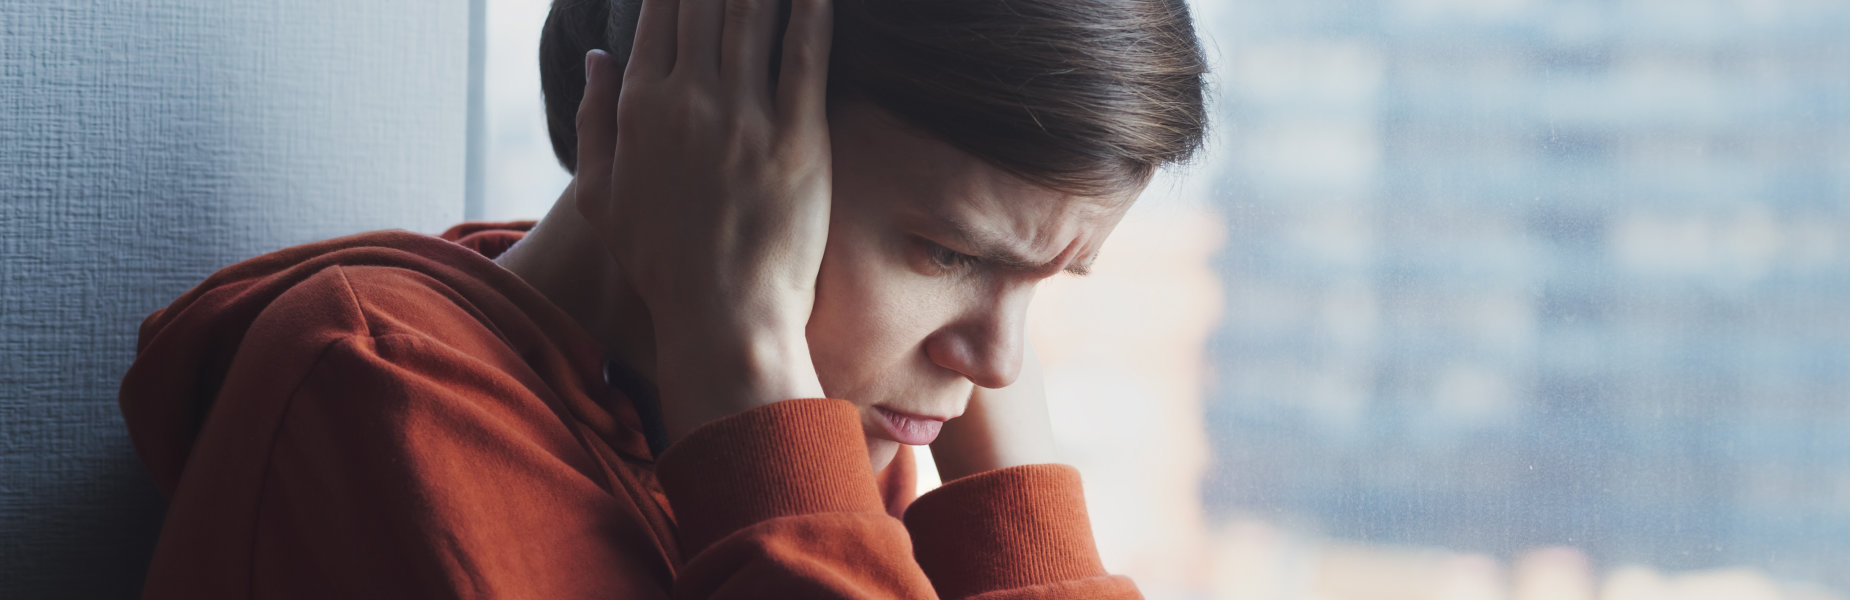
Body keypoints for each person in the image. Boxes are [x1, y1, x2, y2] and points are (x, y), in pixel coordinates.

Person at [116, 0, 1208, 597]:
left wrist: (1009, 503)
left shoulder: (819, 442)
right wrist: (744, 367)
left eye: (1055, 278)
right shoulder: (378, 406)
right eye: (943, 252)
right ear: (702, 140)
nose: (1002, 364)